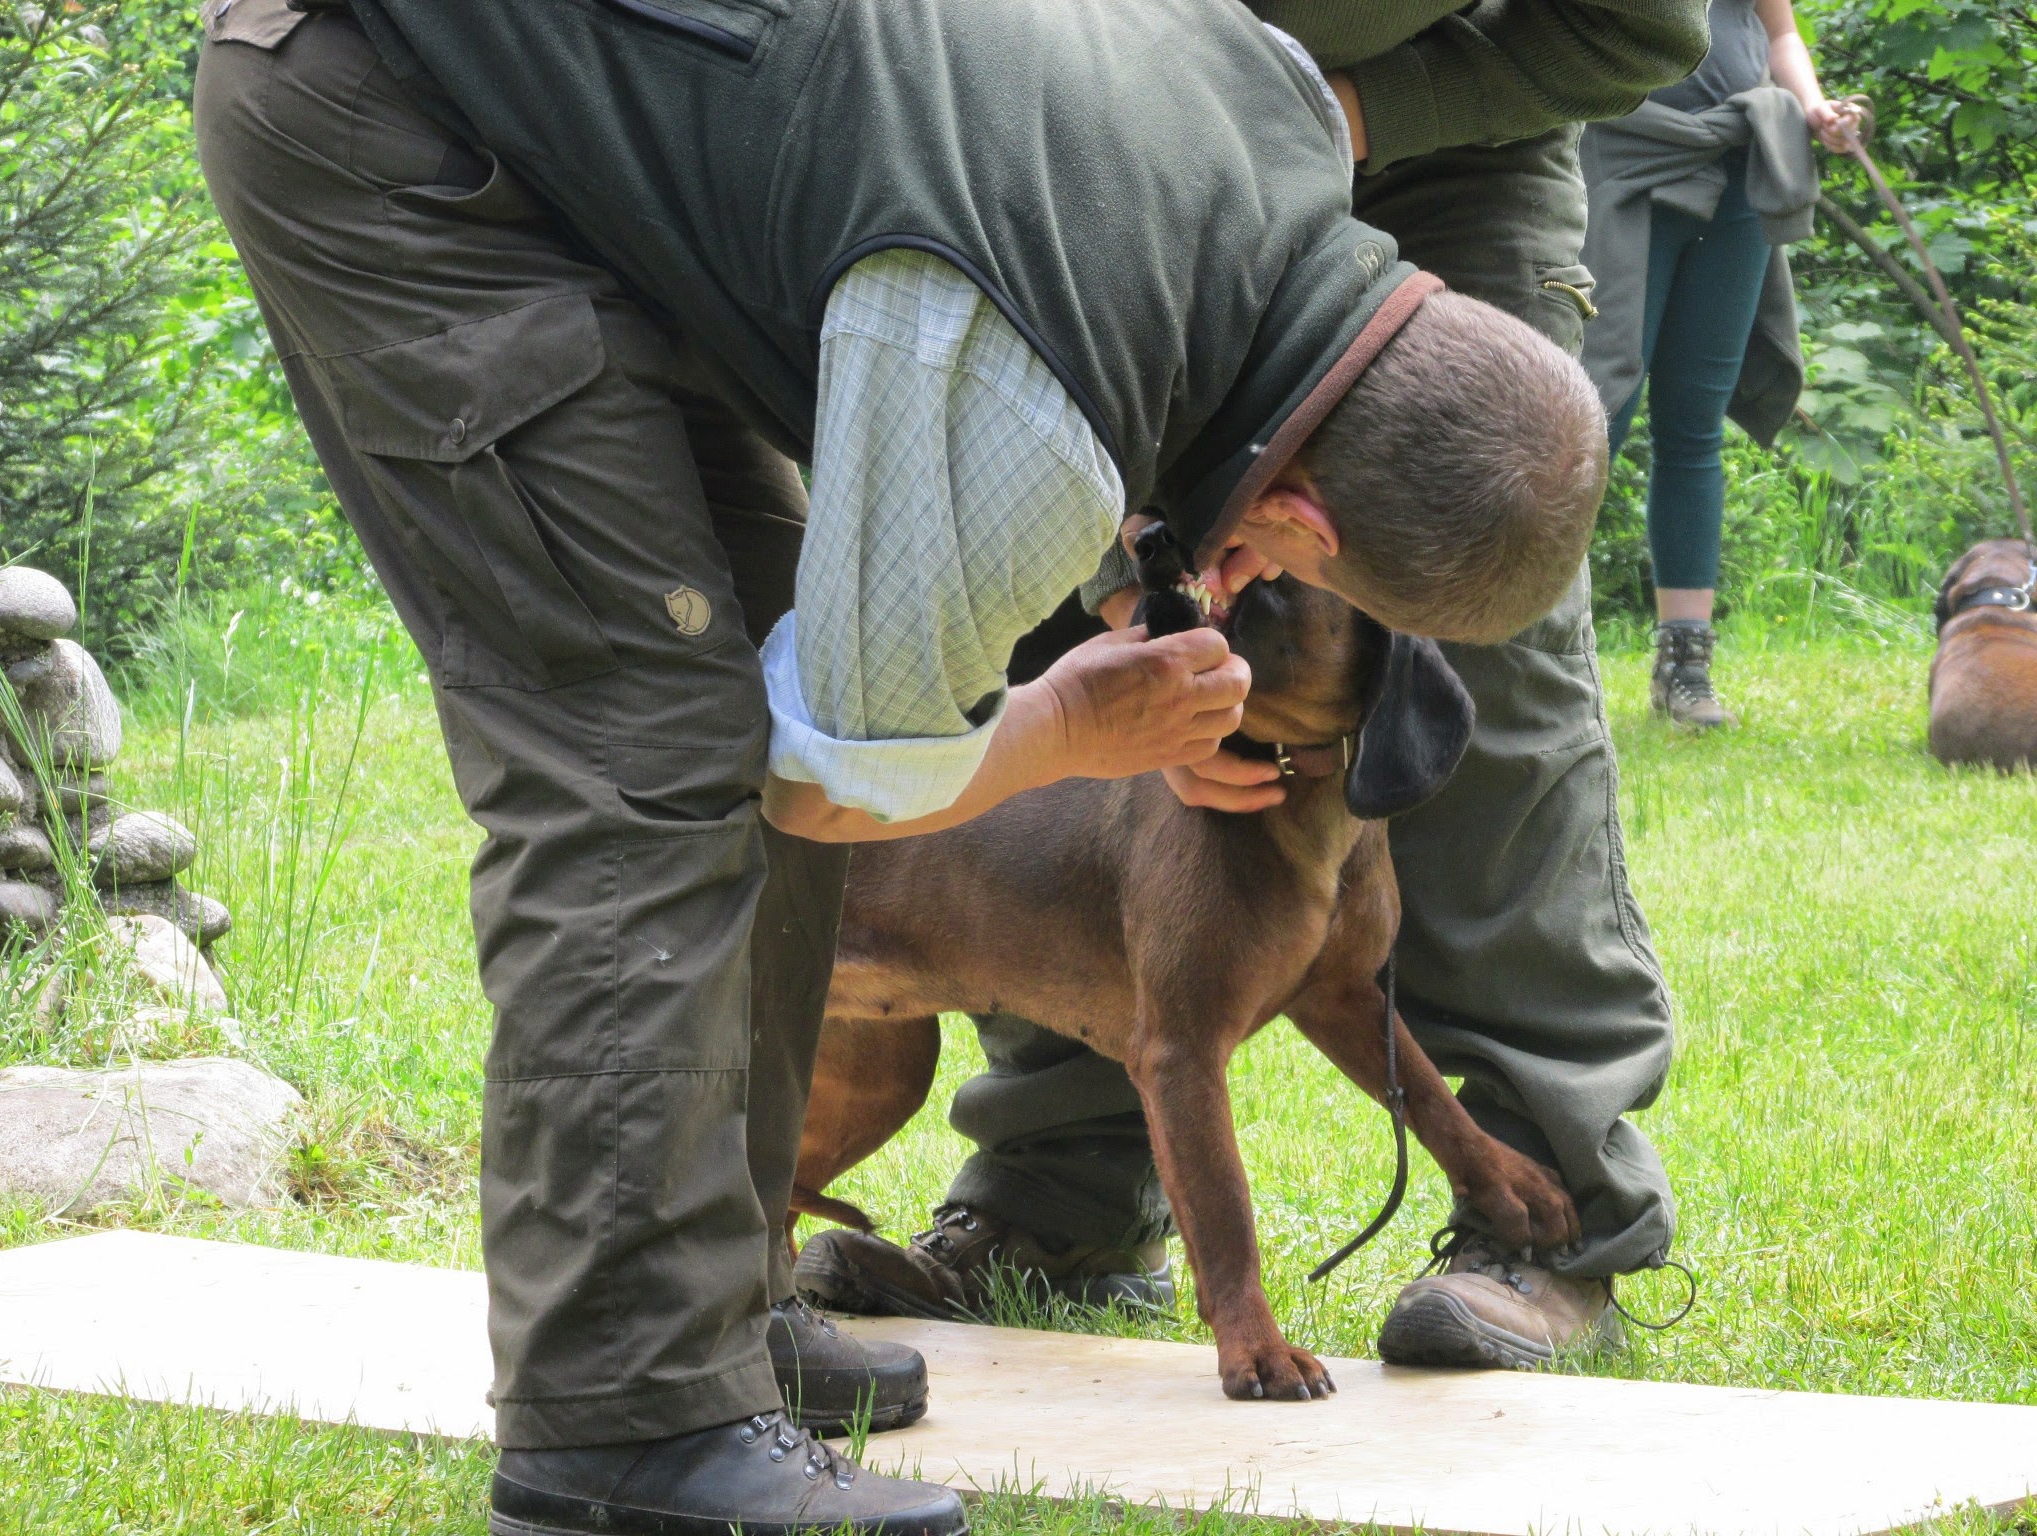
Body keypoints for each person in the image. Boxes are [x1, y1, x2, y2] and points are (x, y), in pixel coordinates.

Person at [191, 0, 1693, 1532]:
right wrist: (1071, 728)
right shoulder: (1011, 390)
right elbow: (822, 785)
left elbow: (1105, 329)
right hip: (393, 109)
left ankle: (716, 1312)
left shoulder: (1278, 112)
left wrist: (1122, 569)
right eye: (1286, 573)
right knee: (649, 759)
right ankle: (620, 1435)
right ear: (1305, 530)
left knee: (753, 645)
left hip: (617, 108)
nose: (1245, 585)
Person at [798, 2, 1711, 1377]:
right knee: (1066, 631)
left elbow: (1638, 21)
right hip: (1124, 153)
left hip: (1440, 159)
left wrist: (1340, 111)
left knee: (1476, 675)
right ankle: (1060, 1207)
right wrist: (1128, 562)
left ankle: (1543, 1203)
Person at [1576, 0, 1862, 728]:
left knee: (1695, 424)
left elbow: (1779, 32)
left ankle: (1685, 667)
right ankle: (1543, 650)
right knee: (1593, 414)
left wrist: (1815, 108)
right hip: (1623, 159)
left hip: (1739, 163)